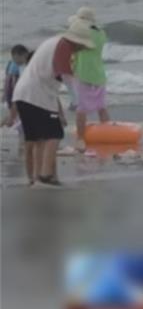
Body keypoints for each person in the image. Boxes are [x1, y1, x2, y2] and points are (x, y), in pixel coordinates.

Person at [12, 18, 95, 186]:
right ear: (76, 40)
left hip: (26, 94)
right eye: (82, 45)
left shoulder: (54, 43)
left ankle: (41, 178)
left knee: (39, 139)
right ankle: (45, 176)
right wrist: (75, 99)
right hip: (36, 95)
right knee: (54, 134)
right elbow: (65, 73)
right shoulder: (64, 45)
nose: (82, 48)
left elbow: (59, 73)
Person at [68, 7, 111, 150]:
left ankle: (81, 139)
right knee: (102, 107)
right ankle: (107, 135)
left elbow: (74, 52)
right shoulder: (101, 34)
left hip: (83, 73)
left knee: (81, 109)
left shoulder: (82, 35)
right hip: (99, 74)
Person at [3, 44, 29, 125]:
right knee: (15, 113)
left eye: (16, 59)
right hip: (14, 90)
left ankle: (9, 121)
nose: (16, 61)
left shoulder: (24, 65)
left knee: (16, 113)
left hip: (19, 92)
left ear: (25, 55)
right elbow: (10, 79)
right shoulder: (17, 65)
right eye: (14, 59)